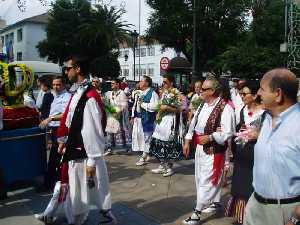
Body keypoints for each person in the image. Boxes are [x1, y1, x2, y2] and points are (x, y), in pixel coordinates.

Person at [57, 56, 116, 225]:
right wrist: (64, 140)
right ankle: (82, 218)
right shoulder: (79, 92)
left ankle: (87, 219)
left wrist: (91, 160)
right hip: (76, 149)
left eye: (68, 68)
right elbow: (71, 120)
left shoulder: (89, 96)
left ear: (78, 69)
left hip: (83, 153)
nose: (66, 72)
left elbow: (93, 130)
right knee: (81, 193)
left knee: (83, 192)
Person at [244, 68, 300, 225]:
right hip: (255, 204)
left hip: (285, 212)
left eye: (262, 89)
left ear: (278, 94)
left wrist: (296, 217)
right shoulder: (267, 118)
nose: (258, 94)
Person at [182, 75, 235, 225]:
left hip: (214, 150)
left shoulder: (226, 108)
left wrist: (211, 137)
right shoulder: (202, 105)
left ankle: (196, 213)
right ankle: (215, 202)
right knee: (200, 178)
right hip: (199, 147)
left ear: (212, 91)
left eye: (204, 89)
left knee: (207, 179)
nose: (200, 91)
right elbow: (193, 124)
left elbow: (227, 133)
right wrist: (187, 140)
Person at [225, 80, 264, 225]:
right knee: (240, 184)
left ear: (254, 96)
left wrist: (258, 135)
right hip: (242, 153)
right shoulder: (242, 111)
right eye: (240, 93)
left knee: (252, 185)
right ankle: (241, 217)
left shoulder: (265, 113)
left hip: (256, 154)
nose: (241, 96)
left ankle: (253, 217)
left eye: (244, 94)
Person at [39, 76, 71, 190]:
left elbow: (66, 114)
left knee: (55, 158)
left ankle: (50, 184)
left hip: (61, 130)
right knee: (56, 158)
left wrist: (50, 119)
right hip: (54, 130)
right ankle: (57, 181)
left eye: (58, 84)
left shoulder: (67, 97)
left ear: (63, 85)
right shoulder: (55, 96)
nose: (55, 87)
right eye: (54, 85)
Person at [149, 74, 182, 177]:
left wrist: (167, 107)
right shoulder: (164, 92)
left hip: (170, 120)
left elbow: (179, 109)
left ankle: (169, 167)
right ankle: (162, 165)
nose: (163, 84)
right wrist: (159, 112)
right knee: (159, 141)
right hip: (162, 120)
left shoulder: (176, 93)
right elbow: (160, 105)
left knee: (169, 143)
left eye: (165, 82)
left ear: (171, 83)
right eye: (163, 82)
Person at [131, 76, 159, 166]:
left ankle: (144, 157)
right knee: (144, 138)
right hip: (141, 119)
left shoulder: (153, 93)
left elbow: (155, 106)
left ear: (147, 83)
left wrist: (143, 104)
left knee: (147, 138)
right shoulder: (141, 93)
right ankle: (147, 154)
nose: (139, 82)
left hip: (149, 120)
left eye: (141, 81)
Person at [104, 78, 130, 155]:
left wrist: (117, 110)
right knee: (109, 131)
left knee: (122, 131)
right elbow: (106, 101)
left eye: (113, 83)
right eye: (111, 83)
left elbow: (124, 105)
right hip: (111, 114)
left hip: (120, 115)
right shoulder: (110, 93)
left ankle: (127, 147)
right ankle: (110, 148)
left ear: (117, 84)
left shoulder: (122, 93)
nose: (111, 85)